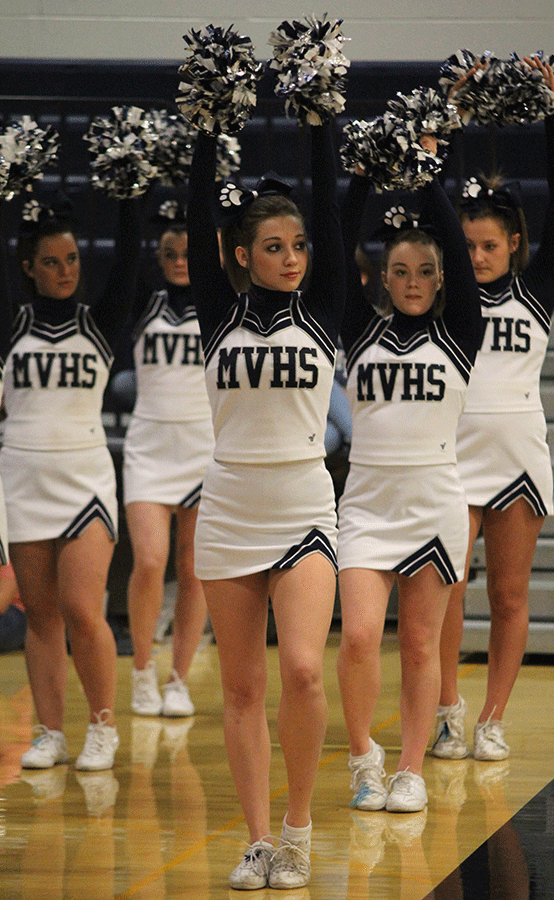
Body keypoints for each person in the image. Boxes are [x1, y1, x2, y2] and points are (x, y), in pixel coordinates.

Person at [186, 113, 345, 888]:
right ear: (242, 256)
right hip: (228, 507)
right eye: (274, 248)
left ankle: (299, 826)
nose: (291, 259)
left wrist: (321, 117)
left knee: (306, 672)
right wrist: (210, 127)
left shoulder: (322, 313)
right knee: (244, 686)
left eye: (299, 246)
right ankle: (257, 840)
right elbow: (196, 209)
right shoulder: (217, 315)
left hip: (304, 508)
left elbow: (332, 202)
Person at [434, 59, 554, 761]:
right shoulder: (452, 294)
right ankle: (448, 711)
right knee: (446, 587)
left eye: (491, 245)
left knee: (511, 596)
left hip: (519, 455)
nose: (479, 255)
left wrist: (553, 112)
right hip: (455, 456)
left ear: (514, 243)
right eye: (469, 246)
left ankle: (492, 718)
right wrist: (451, 115)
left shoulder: (536, 290)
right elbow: (439, 199)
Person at [336, 139, 481, 813]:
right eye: (402, 269)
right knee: (362, 636)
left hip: (433, 505)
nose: (416, 279)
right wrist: (365, 175)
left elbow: (448, 232)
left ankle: (413, 768)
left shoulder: (460, 334)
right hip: (366, 505)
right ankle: (365, 755)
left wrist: (428, 174)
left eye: (427, 269)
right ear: (384, 279)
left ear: (442, 277)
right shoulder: (359, 334)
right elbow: (338, 245)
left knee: (422, 644)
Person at [0, 194, 141, 771]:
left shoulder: (99, 324)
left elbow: (130, 265)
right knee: (40, 614)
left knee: (84, 609)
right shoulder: (13, 323)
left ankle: (102, 725)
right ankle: (49, 731)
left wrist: (133, 196)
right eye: (52, 261)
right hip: (23, 479)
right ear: (29, 267)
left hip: (83, 480)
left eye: (73, 259)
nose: (65, 270)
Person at [119, 201, 212, 718]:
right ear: (158, 257)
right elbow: (125, 258)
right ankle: (140, 670)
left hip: (203, 447)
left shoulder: (218, 303)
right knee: (150, 561)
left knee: (194, 569)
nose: (179, 260)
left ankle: (179, 678)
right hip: (150, 448)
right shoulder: (144, 301)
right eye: (169, 253)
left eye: (187, 251)